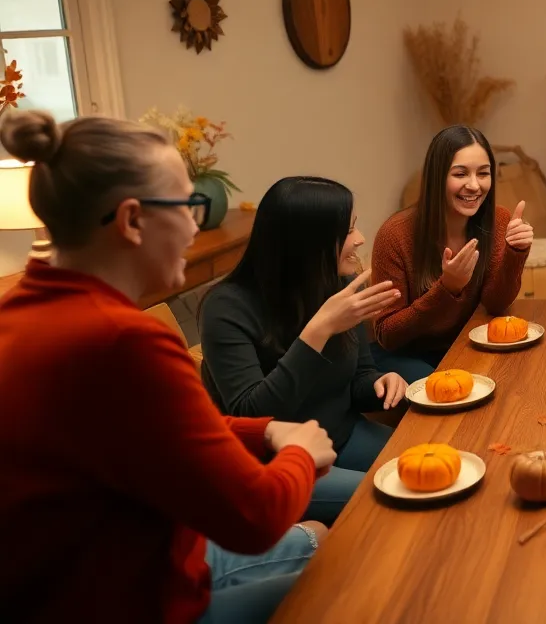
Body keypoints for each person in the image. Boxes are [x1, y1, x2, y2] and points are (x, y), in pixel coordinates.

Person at [0, 110, 337, 623]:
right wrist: (302, 453)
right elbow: (256, 517)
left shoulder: (20, 311)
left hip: (93, 571)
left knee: (318, 538)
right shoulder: (124, 341)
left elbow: (160, 430)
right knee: (354, 582)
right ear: (132, 220)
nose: (192, 224)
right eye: (186, 205)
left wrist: (266, 430)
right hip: (132, 601)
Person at [200, 176, 407, 524]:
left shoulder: (336, 285)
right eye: (348, 231)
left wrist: (380, 384)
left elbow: (359, 378)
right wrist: (318, 330)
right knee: (390, 501)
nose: (360, 239)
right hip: (278, 463)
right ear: (308, 246)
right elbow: (253, 414)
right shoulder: (226, 308)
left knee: (433, 468)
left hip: (345, 435)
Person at [370, 126, 533, 382]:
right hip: (407, 354)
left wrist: (516, 252)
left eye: (483, 173)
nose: (474, 185)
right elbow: (387, 334)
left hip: (464, 343)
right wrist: (446, 289)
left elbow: (495, 303)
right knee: (451, 394)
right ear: (437, 177)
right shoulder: (395, 235)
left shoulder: (498, 220)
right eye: (460, 174)